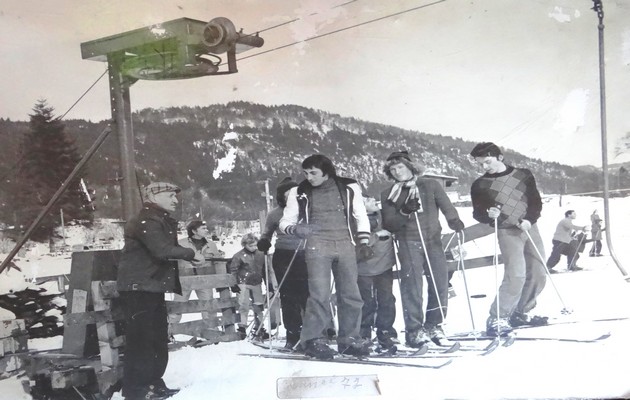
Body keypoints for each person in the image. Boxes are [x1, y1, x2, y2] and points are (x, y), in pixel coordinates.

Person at [279, 154, 373, 359]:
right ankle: (314, 340)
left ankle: (349, 340)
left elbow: (360, 214)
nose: (309, 177)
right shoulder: (299, 191)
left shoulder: (349, 188)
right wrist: (297, 229)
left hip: (346, 244)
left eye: (313, 173)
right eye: (305, 173)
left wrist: (364, 241)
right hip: (317, 246)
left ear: (326, 172)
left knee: (350, 294)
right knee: (319, 295)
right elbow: (284, 222)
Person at [117, 182, 203, 400]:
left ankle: (154, 384)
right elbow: (161, 250)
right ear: (154, 197)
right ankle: (136, 391)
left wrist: (186, 255)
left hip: (151, 288)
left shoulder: (158, 220)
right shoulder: (146, 221)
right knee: (141, 341)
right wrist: (191, 254)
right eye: (170, 196)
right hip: (139, 289)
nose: (175, 200)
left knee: (156, 339)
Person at [380, 151, 464, 347]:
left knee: (439, 282)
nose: (397, 172)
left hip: (433, 240)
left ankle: (434, 325)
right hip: (408, 242)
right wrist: (404, 210)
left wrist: (454, 221)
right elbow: (390, 223)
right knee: (413, 287)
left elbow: (446, 206)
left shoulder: (429, 185)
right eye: (392, 169)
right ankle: (414, 330)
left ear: (410, 167)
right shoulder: (389, 193)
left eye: (400, 167)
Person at [469, 142, 548, 336]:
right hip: (507, 231)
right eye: (481, 164)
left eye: (487, 162)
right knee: (516, 275)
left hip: (529, 228)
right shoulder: (480, 184)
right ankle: (498, 317)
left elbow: (535, 202)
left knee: (538, 271)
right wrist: (489, 213)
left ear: (500, 157)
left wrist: (530, 220)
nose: (485, 167)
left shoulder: (523, 175)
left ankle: (519, 312)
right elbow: (478, 213)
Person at [258, 177, 309, 350]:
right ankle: (292, 334)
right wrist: (264, 242)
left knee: (308, 295)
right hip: (284, 256)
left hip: (305, 254)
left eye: (295, 192)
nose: (292, 196)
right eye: (288, 193)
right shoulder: (275, 214)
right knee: (288, 296)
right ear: (281, 195)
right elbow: (266, 233)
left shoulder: (307, 210)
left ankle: (312, 334)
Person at [357, 194, 399, 349]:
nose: (373, 200)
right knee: (365, 302)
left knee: (387, 300)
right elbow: (357, 241)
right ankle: (363, 334)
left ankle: (386, 331)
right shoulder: (356, 220)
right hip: (364, 269)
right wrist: (376, 236)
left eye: (371, 198)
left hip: (384, 266)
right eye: (367, 200)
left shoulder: (382, 214)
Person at [168, 220, 219, 331]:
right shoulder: (180, 244)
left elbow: (218, 262)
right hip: (184, 280)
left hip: (205, 280)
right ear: (194, 231)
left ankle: (212, 331)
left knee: (208, 306)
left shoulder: (211, 244)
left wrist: (220, 280)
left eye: (206, 228)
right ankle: (169, 332)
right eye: (203, 228)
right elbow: (172, 262)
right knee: (177, 307)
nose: (206, 230)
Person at [229, 232, 271, 340]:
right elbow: (233, 270)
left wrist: (268, 284)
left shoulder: (260, 254)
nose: (253, 248)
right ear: (244, 245)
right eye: (250, 246)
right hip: (243, 283)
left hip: (256, 282)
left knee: (258, 306)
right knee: (244, 305)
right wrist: (233, 284)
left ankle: (260, 327)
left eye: (255, 245)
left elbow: (265, 269)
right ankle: (242, 327)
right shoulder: (239, 256)